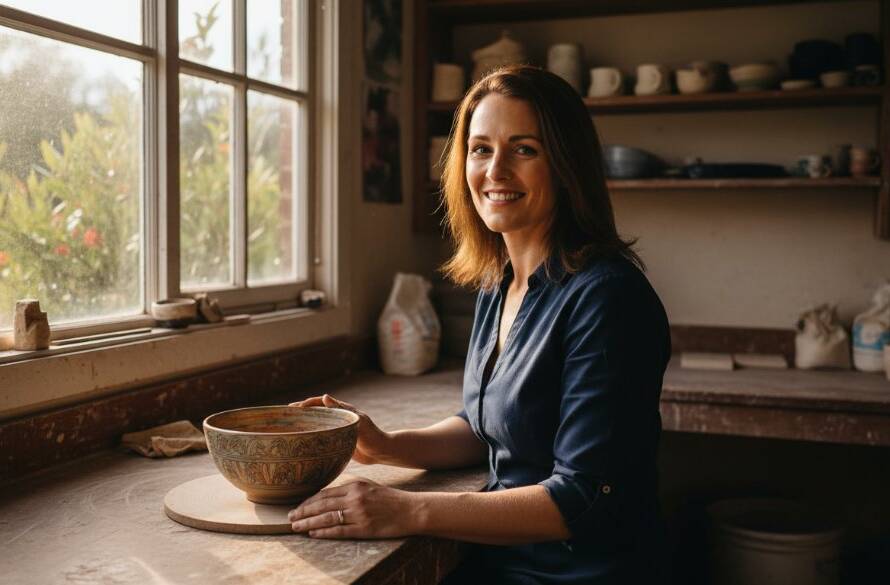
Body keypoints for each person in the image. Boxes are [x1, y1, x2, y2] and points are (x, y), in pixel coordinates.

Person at [288, 64, 671, 584]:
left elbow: (585, 496)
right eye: (481, 148)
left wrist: (407, 509)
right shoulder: (502, 283)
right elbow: (485, 425)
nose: (495, 171)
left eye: (524, 149)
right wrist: (386, 445)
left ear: (566, 164)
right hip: (506, 563)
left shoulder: (608, 297)